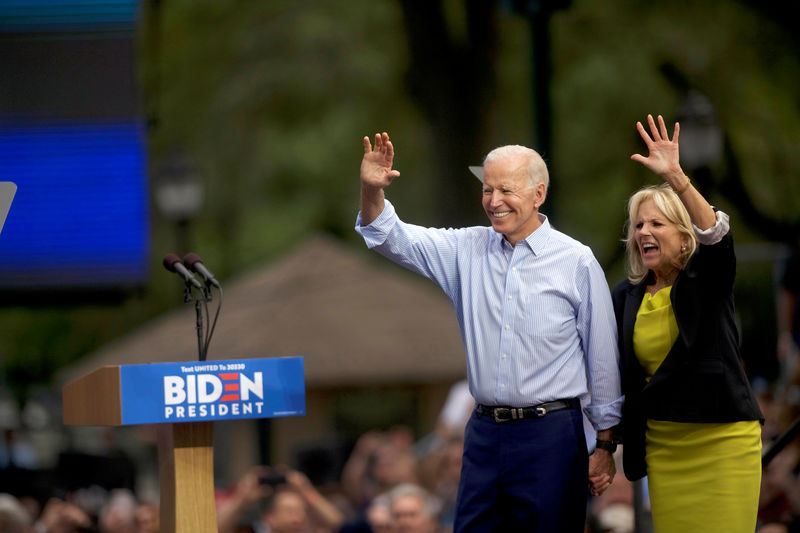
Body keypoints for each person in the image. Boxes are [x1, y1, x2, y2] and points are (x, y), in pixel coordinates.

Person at [355, 132, 623, 531]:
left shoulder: (576, 261)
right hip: (483, 434)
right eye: (487, 189)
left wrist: (604, 445)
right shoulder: (466, 249)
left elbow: (602, 359)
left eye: (506, 190)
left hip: (550, 434)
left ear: (539, 193)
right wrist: (370, 189)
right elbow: (389, 236)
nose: (494, 201)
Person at [611, 114, 764, 531]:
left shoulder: (705, 281)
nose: (644, 231)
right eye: (639, 224)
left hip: (721, 440)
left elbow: (716, 235)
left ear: (683, 236)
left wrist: (677, 178)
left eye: (657, 224)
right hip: (664, 445)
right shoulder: (626, 296)